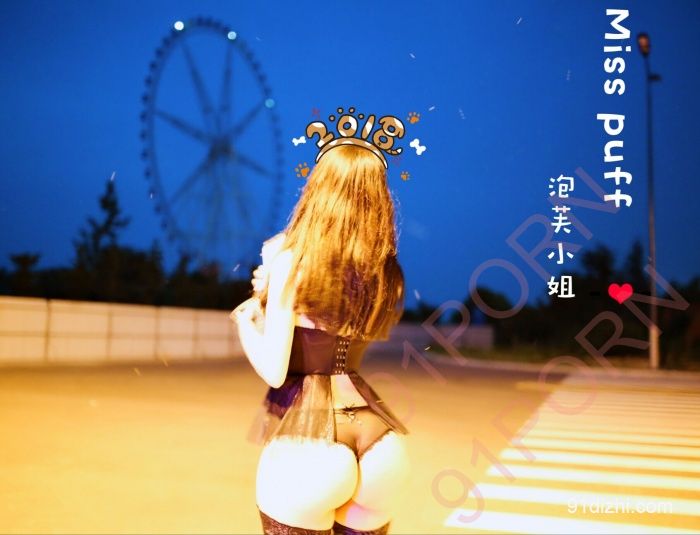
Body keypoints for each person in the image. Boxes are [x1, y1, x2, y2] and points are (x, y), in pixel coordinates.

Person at [231, 140, 411, 534]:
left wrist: (248, 319)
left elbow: (275, 371)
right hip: (380, 445)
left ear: (320, 188)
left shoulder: (291, 260)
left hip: (312, 445)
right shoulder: (384, 270)